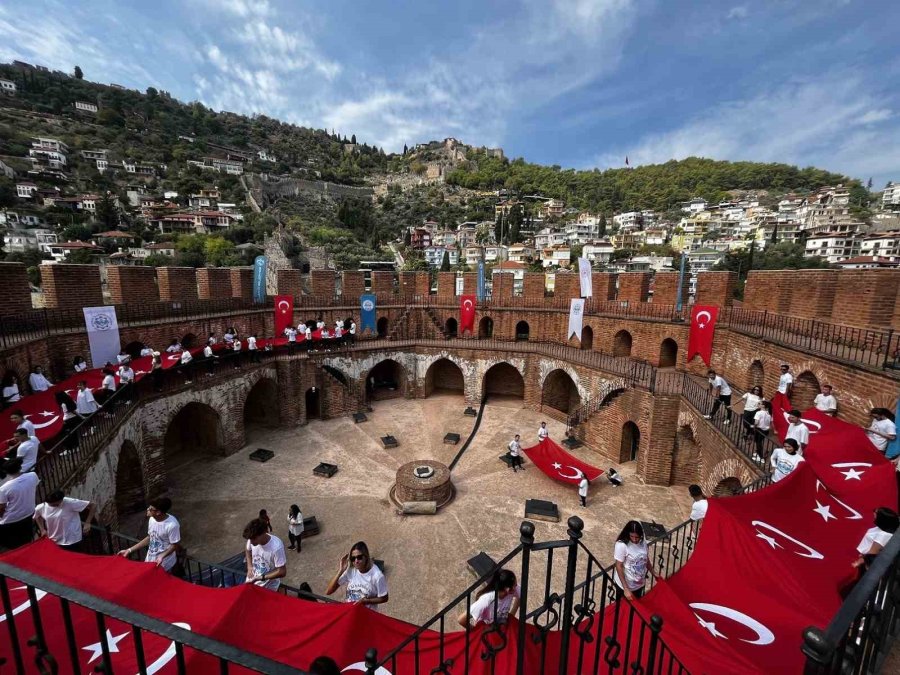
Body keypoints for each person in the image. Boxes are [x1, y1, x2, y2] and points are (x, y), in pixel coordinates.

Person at [118, 497, 181, 572]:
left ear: (158, 512)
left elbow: (174, 545)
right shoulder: (152, 519)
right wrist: (129, 550)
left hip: (164, 564)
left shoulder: (172, 525)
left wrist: (162, 556)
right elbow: (150, 537)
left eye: (151, 509)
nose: (147, 509)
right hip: (150, 560)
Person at [325, 541, 389, 610]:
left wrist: (367, 601)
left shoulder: (377, 576)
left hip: (367, 615)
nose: (356, 561)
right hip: (351, 612)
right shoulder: (351, 570)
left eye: (359, 557)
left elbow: (384, 598)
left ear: (366, 557)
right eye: (353, 558)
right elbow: (328, 591)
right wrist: (341, 570)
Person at [613, 521, 659, 601]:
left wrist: (653, 572)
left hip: (639, 584)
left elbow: (645, 559)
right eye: (632, 536)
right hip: (626, 586)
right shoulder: (622, 545)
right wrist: (626, 588)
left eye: (637, 537)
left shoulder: (643, 543)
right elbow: (619, 566)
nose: (634, 540)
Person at [0, 459, 40, 549]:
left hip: (10, 520)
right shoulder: (33, 476)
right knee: (26, 540)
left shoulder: (4, 488)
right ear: (20, 467)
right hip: (29, 512)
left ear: (6, 472)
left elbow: (1, 508)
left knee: (12, 544)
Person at [243, 518, 287, 591]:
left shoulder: (276, 547)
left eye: (253, 539)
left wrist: (261, 578)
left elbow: (282, 572)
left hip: (269, 588)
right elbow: (247, 550)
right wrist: (249, 566)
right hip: (251, 582)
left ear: (263, 533)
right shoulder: (251, 538)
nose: (250, 542)